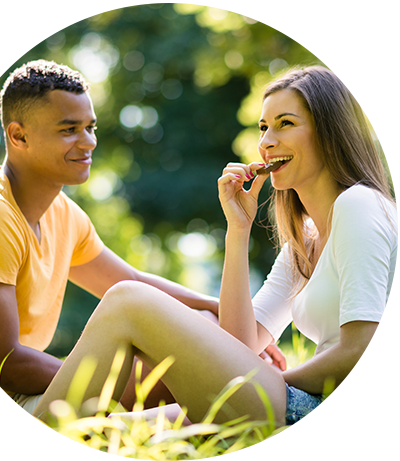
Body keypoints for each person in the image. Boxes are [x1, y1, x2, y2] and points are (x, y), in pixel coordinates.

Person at [31, 66, 398, 451]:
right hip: (311, 408)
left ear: (328, 132)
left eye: (285, 124)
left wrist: (272, 383)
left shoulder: (359, 205)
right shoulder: (304, 244)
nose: (267, 142)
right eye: (263, 128)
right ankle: (35, 445)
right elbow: (240, 346)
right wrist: (237, 231)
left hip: (354, 419)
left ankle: (15, 450)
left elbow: (359, 355)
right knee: (117, 431)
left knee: (127, 300)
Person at [0, 59, 285, 425]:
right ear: (19, 136)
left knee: (201, 336)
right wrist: (104, 380)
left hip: (31, 399)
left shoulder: (62, 213)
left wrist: (222, 313)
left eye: (90, 127)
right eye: (69, 129)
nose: (87, 142)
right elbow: (4, 366)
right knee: (187, 384)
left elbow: (130, 282)